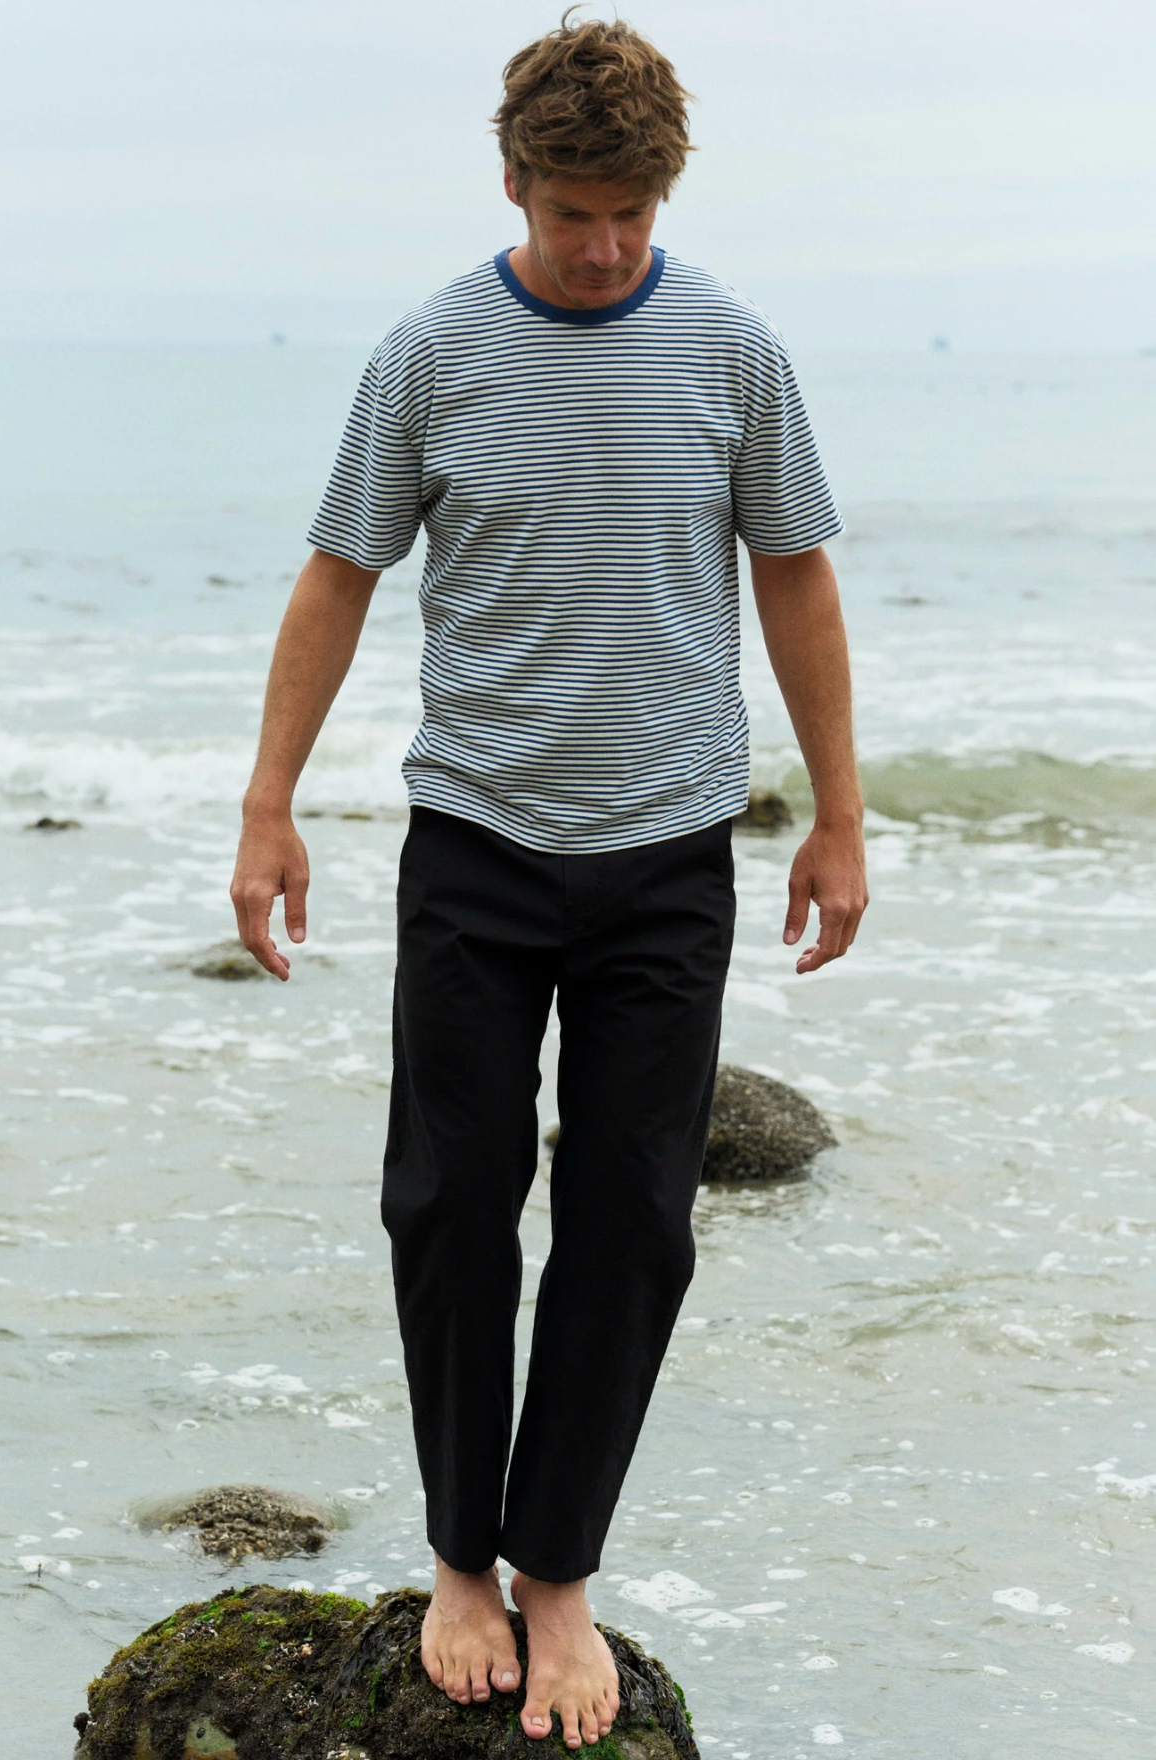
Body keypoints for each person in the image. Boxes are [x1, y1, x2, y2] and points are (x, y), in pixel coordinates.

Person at [230, 11, 867, 1749]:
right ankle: (458, 1558)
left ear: (665, 194)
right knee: (447, 1202)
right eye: (574, 208)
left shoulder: (733, 347)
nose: (600, 247)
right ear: (511, 181)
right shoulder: (430, 354)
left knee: (634, 1226)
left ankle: (557, 1570)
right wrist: (267, 806)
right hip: (477, 849)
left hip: (668, 851)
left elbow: (795, 575)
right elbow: (337, 576)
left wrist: (836, 816)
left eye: (631, 215)